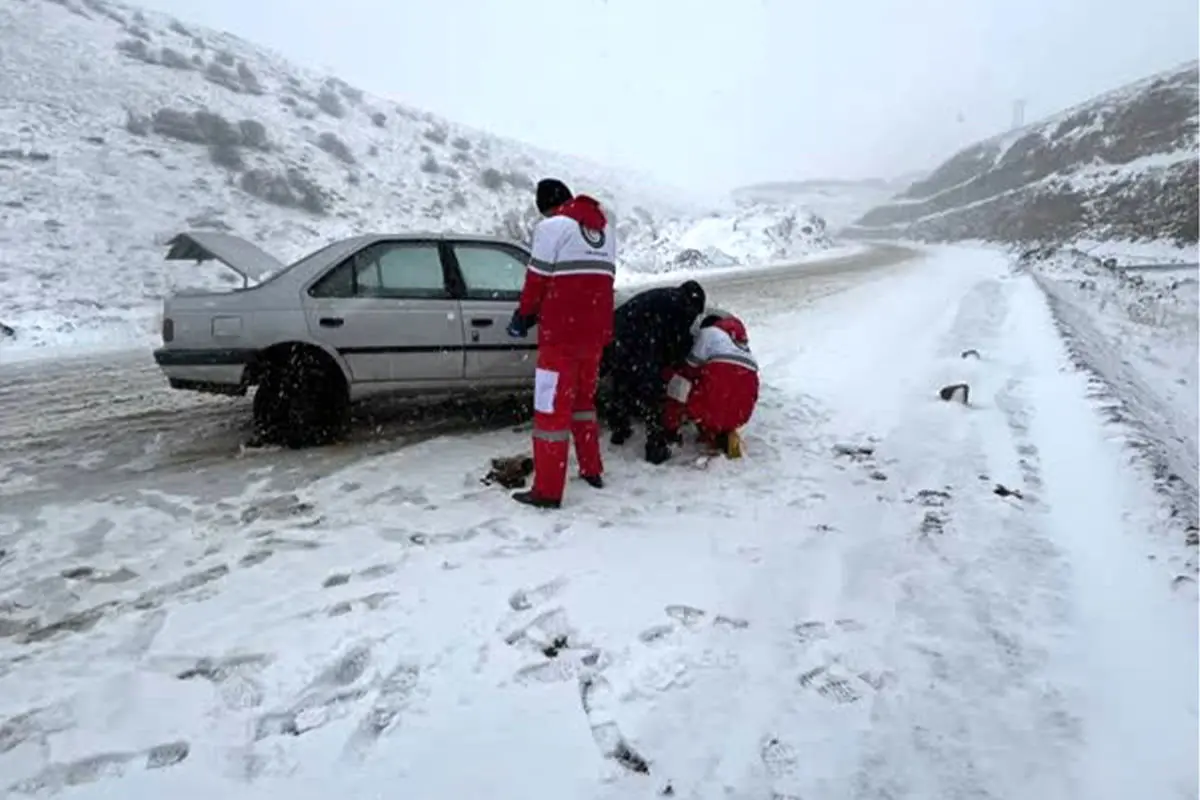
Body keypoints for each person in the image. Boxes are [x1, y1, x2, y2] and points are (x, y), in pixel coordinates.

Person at [506, 178, 616, 509]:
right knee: (583, 405)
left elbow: (536, 280)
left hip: (561, 339)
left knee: (550, 414)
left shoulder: (553, 228)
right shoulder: (606, 231)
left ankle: (548, 491)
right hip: (594, 338)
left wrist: (523, 316)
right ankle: (592, 469)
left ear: (547, 208)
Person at [603, 280, 707, 464]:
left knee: (622, 379)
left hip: (614, 332)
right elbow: (677, 343)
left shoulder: (664, 296)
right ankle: (655, 447)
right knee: (652, 391)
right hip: (638, 341)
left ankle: (619, 429)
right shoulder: (682, 307)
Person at [662, 313, 758, 458]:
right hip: (742, 413)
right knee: (715, 398)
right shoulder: (744, 349)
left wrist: (667, 374)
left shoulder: (709, 333)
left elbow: (690, 368)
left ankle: (670, 430)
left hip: (713, 402)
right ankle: (719, 432)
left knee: (680, 384)